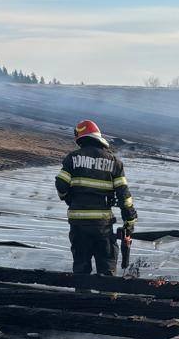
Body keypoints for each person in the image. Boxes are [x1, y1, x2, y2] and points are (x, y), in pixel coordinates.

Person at [55, 119, 136, 277]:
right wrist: (130, 219)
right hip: (102, 225)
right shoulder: (114, 162)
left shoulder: (72, 158)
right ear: (98, 137)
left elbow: (61, 184)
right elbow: (123, 195)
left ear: (81, 139)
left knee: (81, 268)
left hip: (78, 224)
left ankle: (82, 297)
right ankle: (107, 299)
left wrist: (69, 198)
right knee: (107, 269)